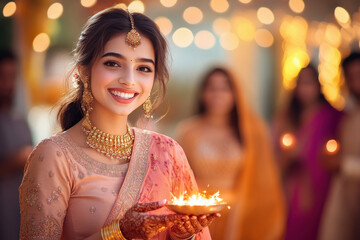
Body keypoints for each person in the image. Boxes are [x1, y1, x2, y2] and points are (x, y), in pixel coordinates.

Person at [19, 8, 218, 240]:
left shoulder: (168, 154)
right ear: (83, 72)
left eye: (143, 68)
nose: (129, 80)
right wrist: (119, 232)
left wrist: (183, 235)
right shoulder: (54, 156)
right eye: (113, 63)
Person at [176, 67, 286, 240]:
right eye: (212, 88)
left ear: (235, 94)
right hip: (199, 216)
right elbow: (177, 179)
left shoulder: (251, 132)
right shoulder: (188, 132)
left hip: (241, 215)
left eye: (225, 88)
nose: (218, 94)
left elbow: (264, 180)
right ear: (202, 93)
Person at [272, 64, 343, 240]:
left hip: (322, 183)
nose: (305, 89)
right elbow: (276, 156)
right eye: (301, 83)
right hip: (293, 184)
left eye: (309, 83)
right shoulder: (287, 117)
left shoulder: (331, 116)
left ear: (318, 86)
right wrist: (288, 155)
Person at [319, 52, 360, 240]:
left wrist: (342, 164)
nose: (356, 83)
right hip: (346, 199)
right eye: (351, 77)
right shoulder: (349, 116)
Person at [0, 50, 33, 239]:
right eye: (2, 77)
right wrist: (16, 160)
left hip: (19, 213)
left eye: (12, 77)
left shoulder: (20, 120)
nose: (7, 84)